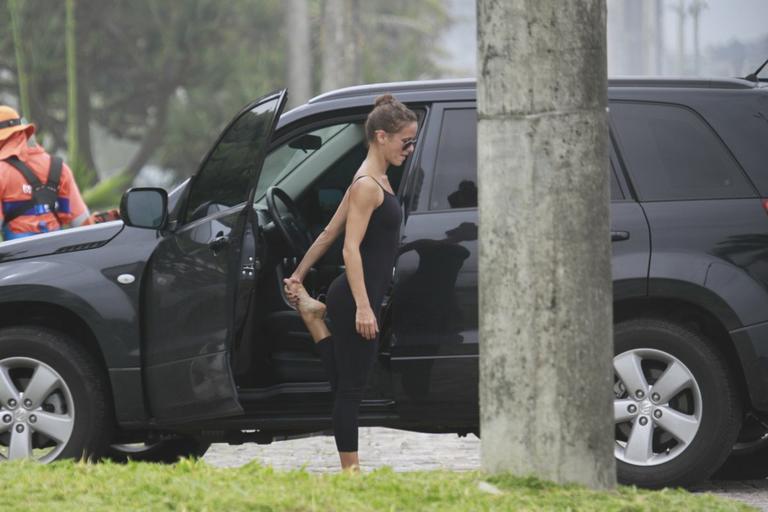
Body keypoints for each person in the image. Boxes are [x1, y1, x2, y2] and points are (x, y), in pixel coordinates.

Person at [283, 94, 418, 471]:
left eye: (413, 142)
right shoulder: (366, 186)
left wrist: (298, 275)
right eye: (405, 141)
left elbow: (327, 232)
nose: (410, 148)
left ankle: (312, 315)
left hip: (358, 296)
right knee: (351, 390)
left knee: (346, 380)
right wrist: (362, 306)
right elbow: (348, 249)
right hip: (355, 298)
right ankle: (351, 472)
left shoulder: (375, 179)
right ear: (381, 136)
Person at [0, 106, 94, 240]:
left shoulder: (2, 172)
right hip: (56, 254)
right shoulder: (59, 167)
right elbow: (83, 222)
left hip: (19, 257)